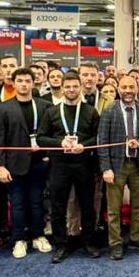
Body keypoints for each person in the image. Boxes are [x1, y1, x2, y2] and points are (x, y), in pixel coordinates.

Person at [38, 72, 100, 263]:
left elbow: (98, 137)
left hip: (84, 165)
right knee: (58, 207)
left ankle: (88, 242)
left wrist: (84, 145)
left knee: (87, 206)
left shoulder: (91, 111)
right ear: (62, 88)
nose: (71, 90)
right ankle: (60, 245)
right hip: (60, 165)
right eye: (68, 87)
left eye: (75, 86)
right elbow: (41, 138)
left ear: (80, 87)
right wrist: (59, 142)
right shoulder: (52, 111)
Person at [0, 68, 53, 259]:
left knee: (37, 202)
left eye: (28, 81)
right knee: (17, 204)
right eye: (20, 81)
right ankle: (19, 239)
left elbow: (51, 134)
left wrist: (48, 154)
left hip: (39, 162)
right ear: (13, 83)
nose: (24, 84)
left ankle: (38, 235)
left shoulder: (45, 106)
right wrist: (1, 165)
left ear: (33, 83)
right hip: (14, 164)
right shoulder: (2, 108)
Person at [97, 74, 139, 261]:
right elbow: (102, 142)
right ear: (118, 89)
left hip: (137, 165)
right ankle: (115, 243)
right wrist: (106, 168)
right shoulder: (109, 112)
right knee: (114, 209)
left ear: (137, 88)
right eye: (124, 87)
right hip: (116, 167)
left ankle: (136, 238)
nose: (128, 90)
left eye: (131, 87)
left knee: (138, 205)